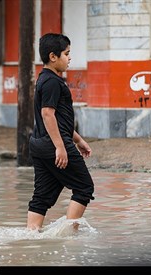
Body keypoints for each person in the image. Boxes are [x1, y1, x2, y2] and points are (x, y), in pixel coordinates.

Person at [27, 33, 95, 231]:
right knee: (84, 187)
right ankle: (69, 235)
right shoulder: (52, 82)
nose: (70, 58)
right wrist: (61, 147)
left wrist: (79, 140)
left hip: (39, 144)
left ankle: (31, 238)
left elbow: (59, 120)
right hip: (54, 144)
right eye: (67, 54)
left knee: (42, 196)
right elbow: (47, 114)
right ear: (53, 57)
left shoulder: (44, 79)